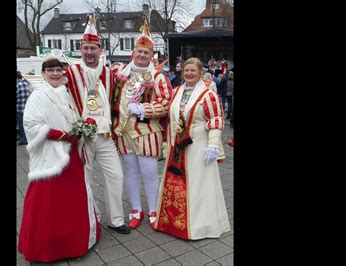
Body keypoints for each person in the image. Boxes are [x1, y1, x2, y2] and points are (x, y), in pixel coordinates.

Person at [18, 58, 101, 262]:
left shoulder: (66, 93)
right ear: (43, 73)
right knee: (48, 201)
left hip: (71, 153)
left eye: (58, 70)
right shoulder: (37, 95)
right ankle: (47, 246)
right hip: (51, 156)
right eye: (51, 70)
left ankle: (76, 240)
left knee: (73, 198)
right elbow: (31, 124)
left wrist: (84, 125)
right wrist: (62, 135)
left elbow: (73, 119)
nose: (55, 73)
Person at [64, 14, 130, 234]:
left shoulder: (109, 74)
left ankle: (116, 219)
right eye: (86, 48)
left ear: (100, 50)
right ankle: (92, 218)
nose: (90, 52)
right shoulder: (69, 74)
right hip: (82, 137)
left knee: (116, 176)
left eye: (94, 48)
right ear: (80, 50)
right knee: (85, 179)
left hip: (105, 136)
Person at [154, 57, 230, 240]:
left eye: (192, 71)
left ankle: (199, 226)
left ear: (200, 73)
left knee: (197, 185)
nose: (188, 73)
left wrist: (213, 145)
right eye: (186, 70)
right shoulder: (177, 91)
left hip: (198, 147)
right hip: (177, 149)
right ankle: (171, 223)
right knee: (175, 183)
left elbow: (215, 120)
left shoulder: (208, 95)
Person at [110, 17, 173, 230]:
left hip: (148, 133)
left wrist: (144, 109)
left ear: (151, 55)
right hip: (124, 132)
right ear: (133, 53)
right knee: (130, 173)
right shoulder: (120, 75)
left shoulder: (158, 78)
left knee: (149, 173)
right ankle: (136, 209)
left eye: (146, 52)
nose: (142, 55)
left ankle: (154, 210)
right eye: (140, 51)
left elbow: (166, 104)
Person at [17, 71, 31, 145]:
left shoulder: (17, 85)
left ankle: (24, 140)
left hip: (19, 108)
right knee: (26, 124)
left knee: (21, 125)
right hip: (27, 108)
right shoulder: (27, 84)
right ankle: (28, 138)